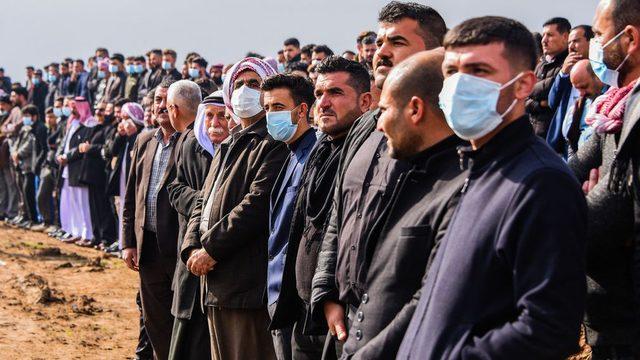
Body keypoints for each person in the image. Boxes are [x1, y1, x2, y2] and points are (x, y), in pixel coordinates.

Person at [397, 16, 587, 359]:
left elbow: (548, 327)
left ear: (523, 85)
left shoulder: (541, 183)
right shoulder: (475, 168)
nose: (459, 84)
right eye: (451, 72)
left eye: (479, 71)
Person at [311, 3, 446, 357]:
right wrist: (326, 292)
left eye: (397, 42)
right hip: (345, 323)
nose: (381, 52)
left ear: (434, 52)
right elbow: (338, 218)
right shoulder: (364, 127)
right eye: (380, 41)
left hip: (408, 331)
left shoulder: (447, 131)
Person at [180, 57, 284, 360]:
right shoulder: (229, 143)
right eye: (238, 84)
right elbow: (203, 201)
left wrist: (210, 250)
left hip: (245, 285)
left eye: (254, 84)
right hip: (213, 282)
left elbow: (255, 205)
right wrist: (190, 248)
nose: (244, 91)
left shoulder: (271, 142)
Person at [122, 77, 182, 360]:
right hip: (147, 249)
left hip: (180, 251)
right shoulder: (144, 139)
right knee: (154, 321)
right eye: (157, 100)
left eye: (166, 101)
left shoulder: (192, 142)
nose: (160, 106)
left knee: (183, 323)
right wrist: (128, 242)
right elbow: (131, 195)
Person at [260, 74, 318, 359]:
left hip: (296, 295)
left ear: (302, 110)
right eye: (268, 108)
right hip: (277, 288)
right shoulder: (290, 153)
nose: (271, 115)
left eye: (278, 108)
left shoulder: (316, 154)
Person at [594, 0, 640, 357]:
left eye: (598, 35)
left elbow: (615, 200)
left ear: (630, 38)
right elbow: (579, 164)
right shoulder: (617, 103)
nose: (597, 44)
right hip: (608, 303)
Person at [161, 80, 211, 360]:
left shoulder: (195, 143)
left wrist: (182, 194)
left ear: (174, 109)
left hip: (198, 259)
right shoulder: (189, 140)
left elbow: (206, 198)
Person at [75, 100, 118, 248]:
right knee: (93, 208)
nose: (99, 113)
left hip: (100, 174)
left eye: (102, 110)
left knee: (103, 208)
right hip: (90, 174)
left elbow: (105, 148)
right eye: (97, 110)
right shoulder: (96, 127)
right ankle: (97, 236)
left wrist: (90, 147)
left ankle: (106, 238)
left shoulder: (109, 129)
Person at [547, 25, 595, 156]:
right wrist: (563, 73)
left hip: (588, 141)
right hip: (563, 144)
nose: (571, 46)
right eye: (569, 42)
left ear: (591, 42)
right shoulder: (567, 71)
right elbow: (552, 102)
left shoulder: (601, 72)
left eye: (576, 41)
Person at [56, 97, 95, 243]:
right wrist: (60, 155)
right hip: (68, 167)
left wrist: (67, 156)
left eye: (75, 107)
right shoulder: (72, 123)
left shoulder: (89, 124)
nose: (72, 110)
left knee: (83, 203)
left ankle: (88, 234)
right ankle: (75, 231)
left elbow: (81, 147)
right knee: (73, 203)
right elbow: (65, 143)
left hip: (79, 168)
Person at [527, 17, 571, 138]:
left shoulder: (569, 65)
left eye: (550, 35)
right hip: (533, 136)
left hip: (554, 139)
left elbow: (556, 96)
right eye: (543, 35)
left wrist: (532, 92)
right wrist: (540, 104)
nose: (544, 40)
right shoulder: (540, 65)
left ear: (565, 37)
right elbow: (524, 100)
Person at [11, 104, 47, 228]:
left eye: (27, 116)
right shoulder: (26, 128)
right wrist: (14, 153)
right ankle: (27, 217)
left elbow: (31, 147)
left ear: (34, 116)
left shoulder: (39, 128)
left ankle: (34, 219)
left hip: (31, 166)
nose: (25, 118)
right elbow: (17, 143)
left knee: (30, 192)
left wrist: (18, 154)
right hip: (22, 165)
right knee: (24, 192)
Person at [562, 60, 607, 156]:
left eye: (584, 87)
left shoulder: (613, 99)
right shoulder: (579, 106)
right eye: (577, 89)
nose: (581, 93)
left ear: (597, 76)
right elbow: (570, 143)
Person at [33, 106, 62, 233]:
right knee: (41, 196)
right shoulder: (48, 131)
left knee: (56, 199)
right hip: (47, 166)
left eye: (52, 117)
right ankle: (46, 221)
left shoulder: (61, 129)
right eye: (47, 117)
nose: (49, 119)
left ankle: (56, 225)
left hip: (57, 168)